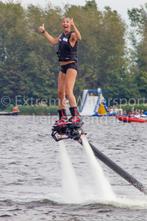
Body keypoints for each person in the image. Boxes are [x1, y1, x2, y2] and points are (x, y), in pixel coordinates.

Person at [39, 17, 81, 125]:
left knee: (68, 91)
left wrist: (74, 25)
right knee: (60, 93)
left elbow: (79, 37)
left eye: (67, 22)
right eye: (64, 22)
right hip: (62, 67)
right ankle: (62, 117)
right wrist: (44, 32)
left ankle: (76, 116)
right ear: (62, 24)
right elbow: (53, 41)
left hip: (71, 65)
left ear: (70, 24)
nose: (65, 23)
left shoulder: (72, 35)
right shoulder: (61, 36)